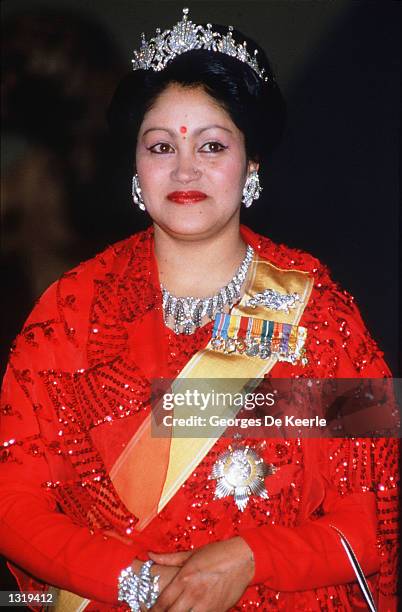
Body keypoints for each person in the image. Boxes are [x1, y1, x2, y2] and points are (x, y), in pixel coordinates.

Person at [0, 8, 398, 612]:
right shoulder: (71, 309)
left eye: (212, 144)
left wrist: (250, 557)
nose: (185, 168)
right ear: (135, 168)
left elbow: (371, 521)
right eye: (161, 145)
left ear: (252, 164)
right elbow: (12, 502)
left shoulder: (322, 316)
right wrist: (138, 582)